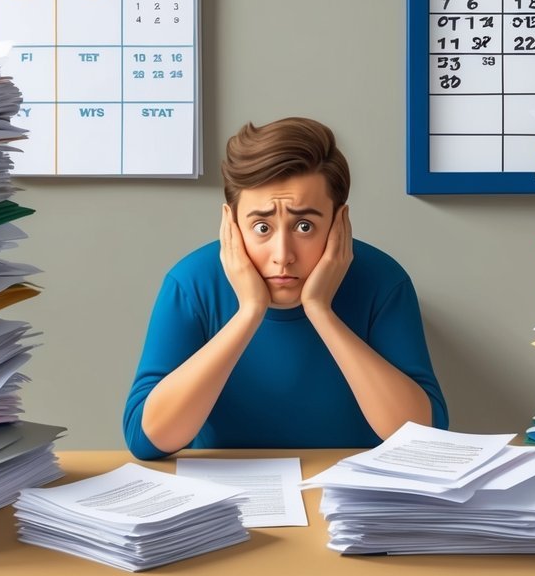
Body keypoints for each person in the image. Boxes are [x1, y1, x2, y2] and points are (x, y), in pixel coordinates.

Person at [122, 117, 448, 460]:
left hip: (353, 498)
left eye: (304, 226)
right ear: (230, 223)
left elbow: (427, 436)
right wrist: (249, 312)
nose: (282, 256)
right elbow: (146, 440)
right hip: (228, 499)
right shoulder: (191, 283)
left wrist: (321, 311)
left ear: (339, 221)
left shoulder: (383, 281)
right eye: (262, 226)